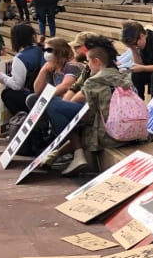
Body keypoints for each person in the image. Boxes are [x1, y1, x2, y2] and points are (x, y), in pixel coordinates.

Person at [45, 40, 135, 176]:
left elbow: (74, 100)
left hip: (106, 131)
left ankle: (74, 152)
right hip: (125, 125)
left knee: (54, 106)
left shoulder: (95, 80)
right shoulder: (123, 76)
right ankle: (67, 152)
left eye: (88, 61)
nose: (87, 65)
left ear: (97, 61)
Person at [0, 24, 44, 115]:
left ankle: (22, 119)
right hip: (44, 92)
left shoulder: (21, 57)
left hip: (32, 96)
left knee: (7, 94)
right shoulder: (40, 49)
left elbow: (17, 85)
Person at [31, 37, 83, 101]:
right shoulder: (50, 67)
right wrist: (43, 71)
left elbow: (66, 86)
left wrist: (44, 97)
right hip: (57, 98)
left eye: (49, 50)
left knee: (33, 99)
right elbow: (37, 90)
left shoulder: (72, 65)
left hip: (69, 101)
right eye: (44, 50)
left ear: (59, 51)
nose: (46, 53)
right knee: (32, 98)